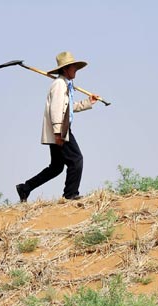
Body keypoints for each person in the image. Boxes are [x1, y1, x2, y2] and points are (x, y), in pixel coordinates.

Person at [16, 52, 98, 203]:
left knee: (56, 167)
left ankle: (25, 188)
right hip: (61, 130)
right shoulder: (59, 85)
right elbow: (55, 109)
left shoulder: (65, 84)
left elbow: (67, 108)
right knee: (76, 160)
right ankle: (70, 194)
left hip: (61, 128)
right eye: (74, 67)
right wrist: (58, 133)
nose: (76, 70)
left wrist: (88, 102)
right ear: (66, 68)